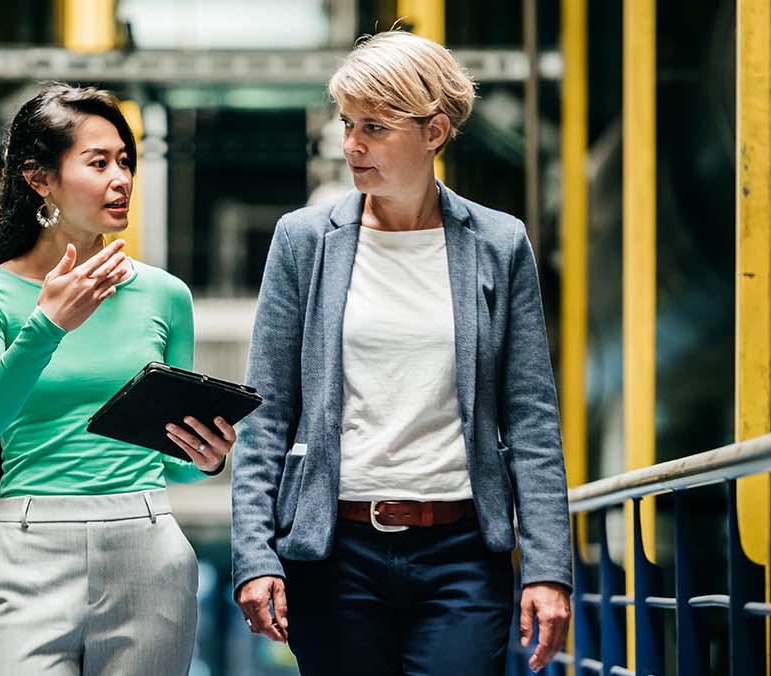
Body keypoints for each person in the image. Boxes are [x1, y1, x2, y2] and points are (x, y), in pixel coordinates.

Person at [230, 31, 572, 675]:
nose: (351, 145)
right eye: (347, 124)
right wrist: (255, 555)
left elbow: (531, 417)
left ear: (434, 131)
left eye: (375, 128)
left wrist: (549, 568)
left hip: (463, 552)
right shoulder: (304, 241)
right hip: (335, 553)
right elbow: (266, 414)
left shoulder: (499, 243)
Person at [0, 83, 236, 675]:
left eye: (125, 161)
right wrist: (47, 326)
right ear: (40, 179)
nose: (121, 179)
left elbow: (177, 464)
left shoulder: (165, 295)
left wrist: (207, 457)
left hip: (147, 545)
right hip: (28, 546)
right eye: (98, 162)